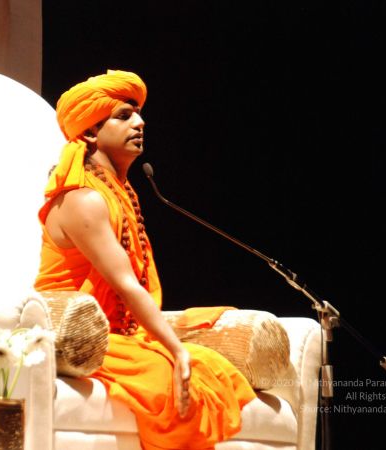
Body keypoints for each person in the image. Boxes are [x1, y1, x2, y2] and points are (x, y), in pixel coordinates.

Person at [35, 70, 255, 450]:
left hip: (120, 335)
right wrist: (176, 349)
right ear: (90, 133)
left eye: (138, 114)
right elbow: (125, 285)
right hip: (79, 338)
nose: (140, 123)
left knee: (214, 369)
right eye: (124, 116)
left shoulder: (121, 192)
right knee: (165, 381)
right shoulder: (83, 199)